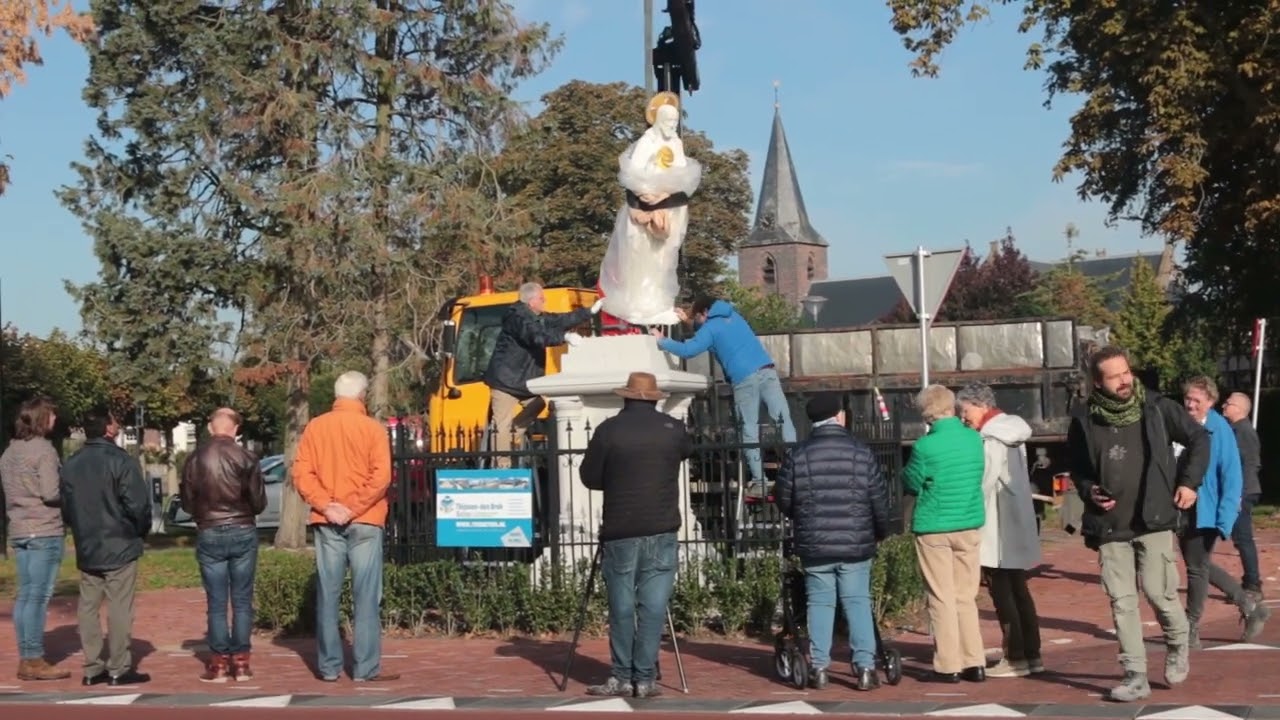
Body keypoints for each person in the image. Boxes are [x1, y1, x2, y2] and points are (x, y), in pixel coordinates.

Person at [1067, 347, 1207, 703]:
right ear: (1097, 382)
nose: (1124, 380)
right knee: (1122, 602)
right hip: (1109, 526)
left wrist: (1189, 483)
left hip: (1154, 518)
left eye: (1126, 372)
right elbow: (1078, 469)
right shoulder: (1084, 417)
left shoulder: (1156, 407)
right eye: (1114, 376)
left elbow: (1199, 439)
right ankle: (1135, 675)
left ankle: (1178, 641)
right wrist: (1089, 490)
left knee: (1159, 593)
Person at [579, 372, 694, 699]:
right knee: (653, 606)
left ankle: (621, 675)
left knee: (622, 605)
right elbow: (687, 451)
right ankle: (645, 678)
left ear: (626, 396)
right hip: (662, 527)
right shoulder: (673, 429)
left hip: (622, 529)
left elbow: (590, 477)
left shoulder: (609, 430)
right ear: (654, 398)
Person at [774, 393, 890, 691]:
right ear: (839, 416)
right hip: (856, 542)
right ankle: (865, 667)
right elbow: (878, 498)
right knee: (857, 602)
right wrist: (880, 531)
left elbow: (783, 499)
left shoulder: (798, 455)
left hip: (815, 542)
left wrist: (803, 515)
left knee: (820, 603)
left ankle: (820, 667)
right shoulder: (860, 452)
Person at [292, 371, 398, 683]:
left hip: (327, 520)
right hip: (366, 519)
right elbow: (381, 476)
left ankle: (328, 667)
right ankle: (365, 668)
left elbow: (302, 474)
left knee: (328, 593)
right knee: (366, 595)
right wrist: (354, 506)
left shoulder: (315, 427)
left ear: (337, 395)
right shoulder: (372, 429)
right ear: (363, 395)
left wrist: (327, 505)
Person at [651, 295, 796, 497]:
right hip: (767, 370)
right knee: (782, 420)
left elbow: (688, 350)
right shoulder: (735, 316)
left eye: (697, 316)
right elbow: (709, 332)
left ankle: (759, 482)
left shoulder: (711, 328)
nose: (697, 321)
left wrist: (662, 340)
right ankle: (796, 470)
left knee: (748, 428)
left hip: (744, 378)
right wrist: (688, 320)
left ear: (705, 312)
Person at [956, 383, 1044, 678]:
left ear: (980, 405)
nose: (963, 417)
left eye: (965, 410)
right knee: (1019, 587)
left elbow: (985, 480)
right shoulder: (1013, 432)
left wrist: (968, 512)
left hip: (996, 522)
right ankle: (1032, 653)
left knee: (1001, 589)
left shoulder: (992, 437)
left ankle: (1015, 656)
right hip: (1016, 520)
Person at [60, 404, 152, 686]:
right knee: (119, 606)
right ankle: (119, 667)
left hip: (88, 543)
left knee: (88, 606)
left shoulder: (72, 464)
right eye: (115, 422)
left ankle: (92, 667)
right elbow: (137, 505)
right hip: (120, 542)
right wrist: (140, 531)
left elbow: (66, 507)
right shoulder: (121, 461)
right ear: (109, 428)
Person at [902, 384, 987, 684]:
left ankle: (948, 665)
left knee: (941, 597)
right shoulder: (974, 439)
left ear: (927, 414)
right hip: (968, 522)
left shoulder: (924, 447)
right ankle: (974, 661)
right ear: (952, 407)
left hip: (934, 526)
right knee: (966, 596)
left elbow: (912, 483)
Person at [598, 91, 703, 326]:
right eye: (668, 121)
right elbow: (633, 172)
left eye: (675, 121)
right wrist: (645, 192)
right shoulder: (647, 142)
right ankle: (637, 307)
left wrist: (666, 192)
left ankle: (660, 305)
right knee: (639, 256)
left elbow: (682, 174)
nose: (672, 126)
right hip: (644, 207)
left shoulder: (676, 143)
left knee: (664, 258)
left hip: (669, 208)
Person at [179, 407, 267, 683]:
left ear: (210, 428)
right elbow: (259, 503)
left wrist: (202, 513)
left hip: (210, 528)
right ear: (236, 429)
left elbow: (187, 502)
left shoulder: (195, 458)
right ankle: (241, 662)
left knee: (216, 602)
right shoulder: (247, 457)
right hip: (242, 527)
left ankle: (218, 664)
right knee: (242, 600)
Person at [1178, 377, 1266, 646]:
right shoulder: (1180, 423)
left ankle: (1191, 626)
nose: (1190, 405)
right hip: (1181, 504)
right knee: (1198, 563)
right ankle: (1250, 607)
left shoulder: (1220, 430)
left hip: (1206, 508)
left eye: (1197, 400)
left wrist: (1225, 517)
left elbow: (1232, 473)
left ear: (1210, 402)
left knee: (1196, 567)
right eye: (1188, 399)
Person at [482, 282, 602, 467]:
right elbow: (535, 336)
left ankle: (512, 433)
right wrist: (563, 337)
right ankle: (502, 465)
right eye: (541, 298)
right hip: (505, 381)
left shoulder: (536, 316)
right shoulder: (517, 318)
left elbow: (559, 320)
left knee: (537, 404)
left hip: (524, 380)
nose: (544, 300)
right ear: (531, 301)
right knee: (501, 424)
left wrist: (588, 312)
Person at [0, 396, 70, 681]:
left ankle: (26, 654)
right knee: (39, 596)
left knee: (26, 594)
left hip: (19, 527)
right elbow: (50, 492)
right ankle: (33, 658)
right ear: (42, 418)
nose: (55, 419)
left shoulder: (9, 452)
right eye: (51, 415)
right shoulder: (44, 450)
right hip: (44, 528)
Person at [1221, 392, 1266, 606]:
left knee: (1243, 537)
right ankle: (1249, 583)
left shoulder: (1243, 431)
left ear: (1239, 408)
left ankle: (1252, 585)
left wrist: (1239, 494)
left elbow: (1250, 463)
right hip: (1238, 491)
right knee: (1240, 537)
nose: (1224, 405)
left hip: (1242, 492)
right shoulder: (1234, 430)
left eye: (1228, 403)